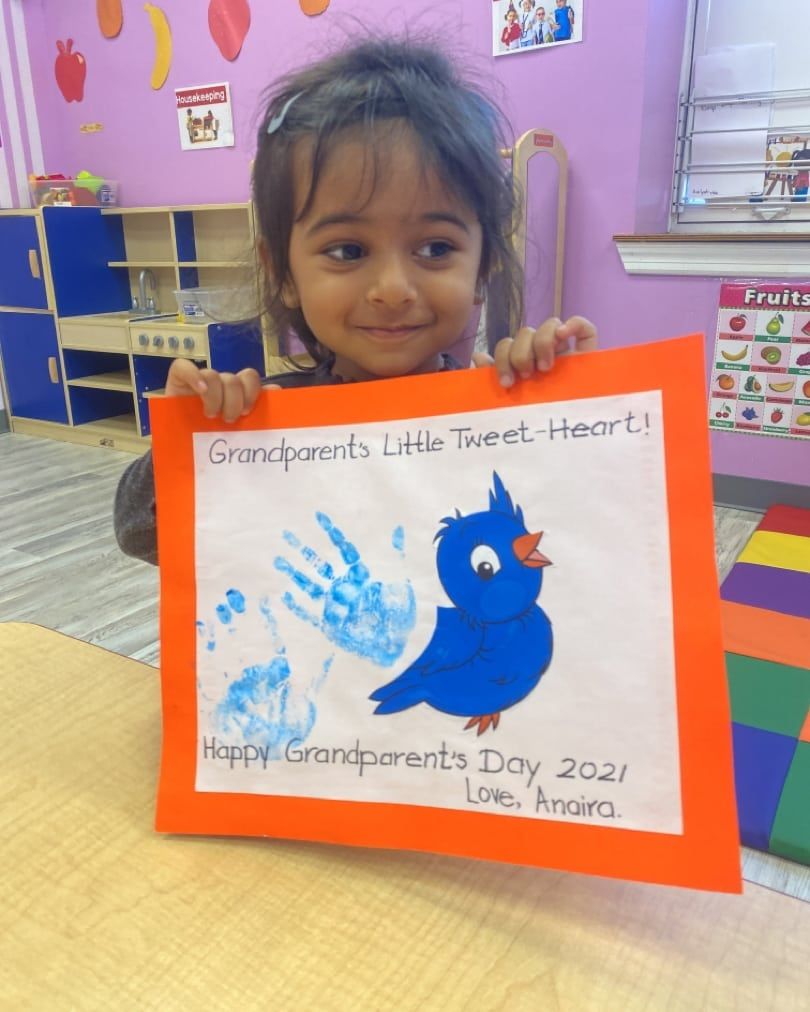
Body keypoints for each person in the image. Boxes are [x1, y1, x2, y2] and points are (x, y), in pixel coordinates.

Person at [114, 38, 597, 565]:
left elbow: (581, 540)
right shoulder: (262, 425)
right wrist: (183, 445)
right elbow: (142, 534)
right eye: (348, 250)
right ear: (283, 271)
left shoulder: (502, 413)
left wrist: (570, 413)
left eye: (436, 248)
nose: (393, 288)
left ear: (482, 268)